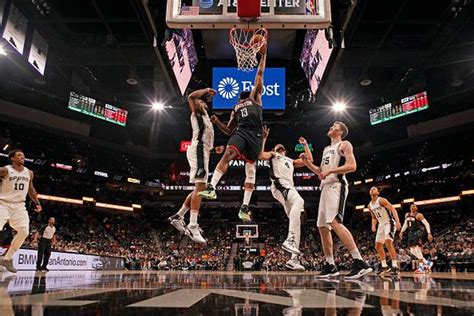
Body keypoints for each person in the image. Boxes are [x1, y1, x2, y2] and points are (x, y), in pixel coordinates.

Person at [198, 40, 267, 222]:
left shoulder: (255, 98)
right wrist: (217, 122)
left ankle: (244, 206)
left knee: (251, 170)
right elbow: (229, 130)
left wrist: (263, 55)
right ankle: (211, 187)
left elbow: (260, 74)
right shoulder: (235, 108)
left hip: (256, 134)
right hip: (241, 132)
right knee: (228, 153)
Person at [303, 122, 372, 279]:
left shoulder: (344, 144)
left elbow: (352, 166)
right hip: (325, 187)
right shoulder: (327, 149)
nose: (330, 127)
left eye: (334, 126)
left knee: (335, 223)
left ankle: (360, 262)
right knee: (322, 226)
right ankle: (330, 265)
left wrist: (331, 171)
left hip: (337, 185)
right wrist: (307, 163)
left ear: (340, 131)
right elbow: (321, 171)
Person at [168, 87, 221, 243]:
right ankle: (192, 224)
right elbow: (191, 96)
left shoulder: (206, 119)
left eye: (204, 102)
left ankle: (178, 216)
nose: (204, 103)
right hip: (198, 149)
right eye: (201, 101)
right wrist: (206, 90)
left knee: (199, 187)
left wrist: (213, 150)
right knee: (201, 187)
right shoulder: (196, 113)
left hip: (202, 151)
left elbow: (205, 142)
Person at [258, 127, 313, 271]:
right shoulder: (272, 155)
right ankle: (290, 239)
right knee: (300, 201)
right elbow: (259, 154)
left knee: (296, 222)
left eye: (281, 147)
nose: (279, 147)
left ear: (286, 151)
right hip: (280, 185)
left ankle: (293, 260)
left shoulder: (290, 160)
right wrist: (263, 138)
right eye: (276, 147)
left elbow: (310, 161)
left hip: (288, 187)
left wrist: (305, 145)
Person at [0, 150, 42, 273]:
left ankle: (6, 259)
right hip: (3, 203)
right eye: (19, 155)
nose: (22, 157)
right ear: (12, 158)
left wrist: (37, 202)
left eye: (23, 155)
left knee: (24, 231)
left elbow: (31, 189)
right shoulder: (5, 170)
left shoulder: (29, 172)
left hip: (19, 206)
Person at [367, 186, 401, 276]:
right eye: (371, 189)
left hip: (389, 222)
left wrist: (398, 222)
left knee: (388, 243)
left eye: (374, 189)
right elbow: (373, 217)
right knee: (377, 246)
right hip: (381, 225)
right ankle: (384, 265)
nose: (372, 189)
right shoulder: (369, 205)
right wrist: (373, 225)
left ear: (378, 192)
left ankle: (395, 266)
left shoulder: (381, 200)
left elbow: (393, 209)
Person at [399, 203, 434, 273]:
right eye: (411, 206)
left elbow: (426, 224)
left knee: (417, 249)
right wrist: (401, 231)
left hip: (418, 232)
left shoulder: (419, 215)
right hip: (411, 233)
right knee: (412, 250)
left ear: (416, 208)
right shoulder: (407, 215)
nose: (412, 207)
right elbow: (405, 224)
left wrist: (429, 233)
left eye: (414, 206)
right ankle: (427, 262)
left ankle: (421, 267)